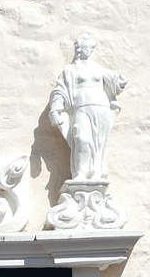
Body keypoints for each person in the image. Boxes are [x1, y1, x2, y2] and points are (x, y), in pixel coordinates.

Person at [49, 34, 126, 182]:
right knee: (81, 138)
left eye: (88, 48)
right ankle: (81, 173)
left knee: (98, 143)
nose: (85, 51)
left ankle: (96, 174)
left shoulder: (98, 69)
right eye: (81, 48)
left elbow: (114, 82)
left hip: (101, 107)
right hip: (81, 108)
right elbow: (60, 91)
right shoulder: (70, 70)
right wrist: (55, 110)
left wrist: (120, 80)